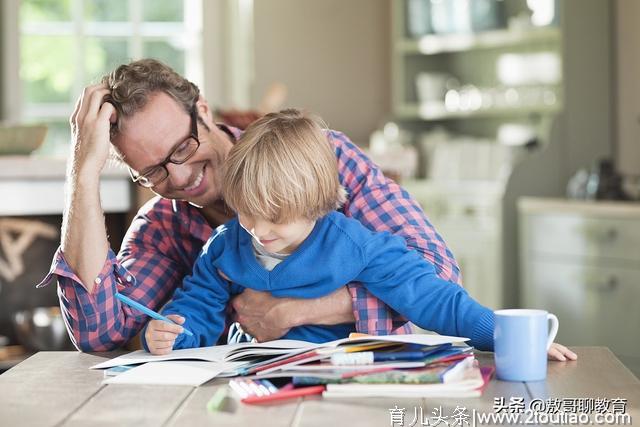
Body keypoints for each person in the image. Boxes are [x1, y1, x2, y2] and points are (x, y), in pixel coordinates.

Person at [37, 58, 460, 351]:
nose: (181, 177)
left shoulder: (313, 156)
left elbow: (438, 271)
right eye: (155, 173)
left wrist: (295, 312)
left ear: (202, 110)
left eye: (183, 148)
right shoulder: (161, 227)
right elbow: (97, 332)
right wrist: (82, 173)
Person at [143, 109, 576, 364]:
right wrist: (174, 333)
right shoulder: (225, 244)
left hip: (339, 375)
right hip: (250, 377)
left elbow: (435, 298)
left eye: (273, 216)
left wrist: (505, 334)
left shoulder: (355, 244)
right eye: (247, 214)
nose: (257, 230)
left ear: (314, 199)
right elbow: (197, 303)